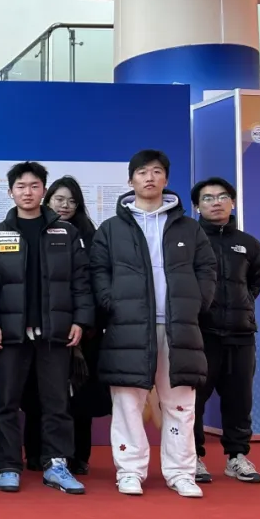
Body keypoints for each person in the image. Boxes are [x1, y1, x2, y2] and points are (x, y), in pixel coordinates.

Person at [90, 150, 217, 498]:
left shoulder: (189, 228)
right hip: (129, 327)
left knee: (180, 404)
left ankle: (181, 472)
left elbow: (207, 269)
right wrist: (111, 303)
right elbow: (98, 271)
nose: (150, 177)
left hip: (178, 328)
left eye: (157, 171)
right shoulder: (111, 229)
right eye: (142, 172)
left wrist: (196, 303)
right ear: (130, 180)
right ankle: (130, 470)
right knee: (128, 403)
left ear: (166, 179)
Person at [0, 161, 93, 495]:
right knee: (7, 403)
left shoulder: (65, 233)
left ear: (44, 190)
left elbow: (81, 282)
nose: (27, 192)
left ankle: (57, 465)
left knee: (57, 403)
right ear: (10, 191)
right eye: (21, 186)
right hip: (10, 333)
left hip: (55, 332)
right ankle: (8, 466)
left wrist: (80, 320)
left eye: (34, 186)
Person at [23, 177, 111, 476]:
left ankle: (77, 455)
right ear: (47, 199)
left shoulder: (89, 235)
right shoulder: (35, 231)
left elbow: (92, 283)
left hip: (82, 331)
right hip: (44, 330)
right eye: (59, 199)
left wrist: (85, 321)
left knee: (79, 396)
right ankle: (36, 452)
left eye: (72, 201)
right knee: (38, 393)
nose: (65, 205)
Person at [190, 177, 260, 484]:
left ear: (232, 202)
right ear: (197, 206)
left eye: (222, 197)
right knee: (193, 400)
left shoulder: (249, 244)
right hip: (200, 334)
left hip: (240, 334)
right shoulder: (189, 240)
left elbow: (255, 282)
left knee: (239, 399)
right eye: (208, 198)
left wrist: (240, 305)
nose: (216, 202)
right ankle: (192, 456)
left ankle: (236, 457)